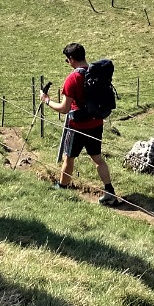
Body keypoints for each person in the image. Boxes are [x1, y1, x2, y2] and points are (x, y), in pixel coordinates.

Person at [42, 42, 119, 206]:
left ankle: (61, 188)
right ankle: (110, 191)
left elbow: (64, 108)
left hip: (76, 127)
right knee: (97, 159)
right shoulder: (96, 73)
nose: (67, 62)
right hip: (97, 122)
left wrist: (47, 101)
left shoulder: (72, 79)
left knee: (68, 159)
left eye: (66, 59)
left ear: (71, 59)